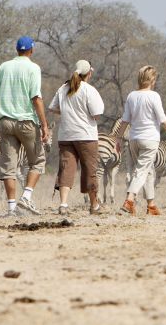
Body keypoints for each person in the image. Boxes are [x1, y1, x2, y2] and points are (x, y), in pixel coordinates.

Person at [0, 36, 50, 216]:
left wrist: (2, 115)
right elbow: (36, 98)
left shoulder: (4, 67)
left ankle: (11, 209)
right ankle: (26, 197)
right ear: (31, 50)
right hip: (26, 122)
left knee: (8, 166)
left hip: (5, 121)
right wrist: (44, 124)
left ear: (17, 50)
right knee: (38, 161)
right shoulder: (33, 68)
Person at [114, 65, 166, 216]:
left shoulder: (131, 96)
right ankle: (129, 201)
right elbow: (162, 120)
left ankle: (151, 205)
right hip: (149, 140)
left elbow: (125, 120)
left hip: (134, 140)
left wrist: (118, 138)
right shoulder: (154, 96)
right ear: (152, 80)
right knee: (142, 171)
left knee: (148, 171)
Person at [47, 60, 104, 215]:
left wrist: (67, 112)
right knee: (90, 170)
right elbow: (97, 113)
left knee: (66, 169)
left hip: (66, 135)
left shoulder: (63, 88)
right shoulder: (89, 90)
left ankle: (63, 204)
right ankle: (94, 205)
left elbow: (53, 108)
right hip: (86, 136)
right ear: (89, 73)